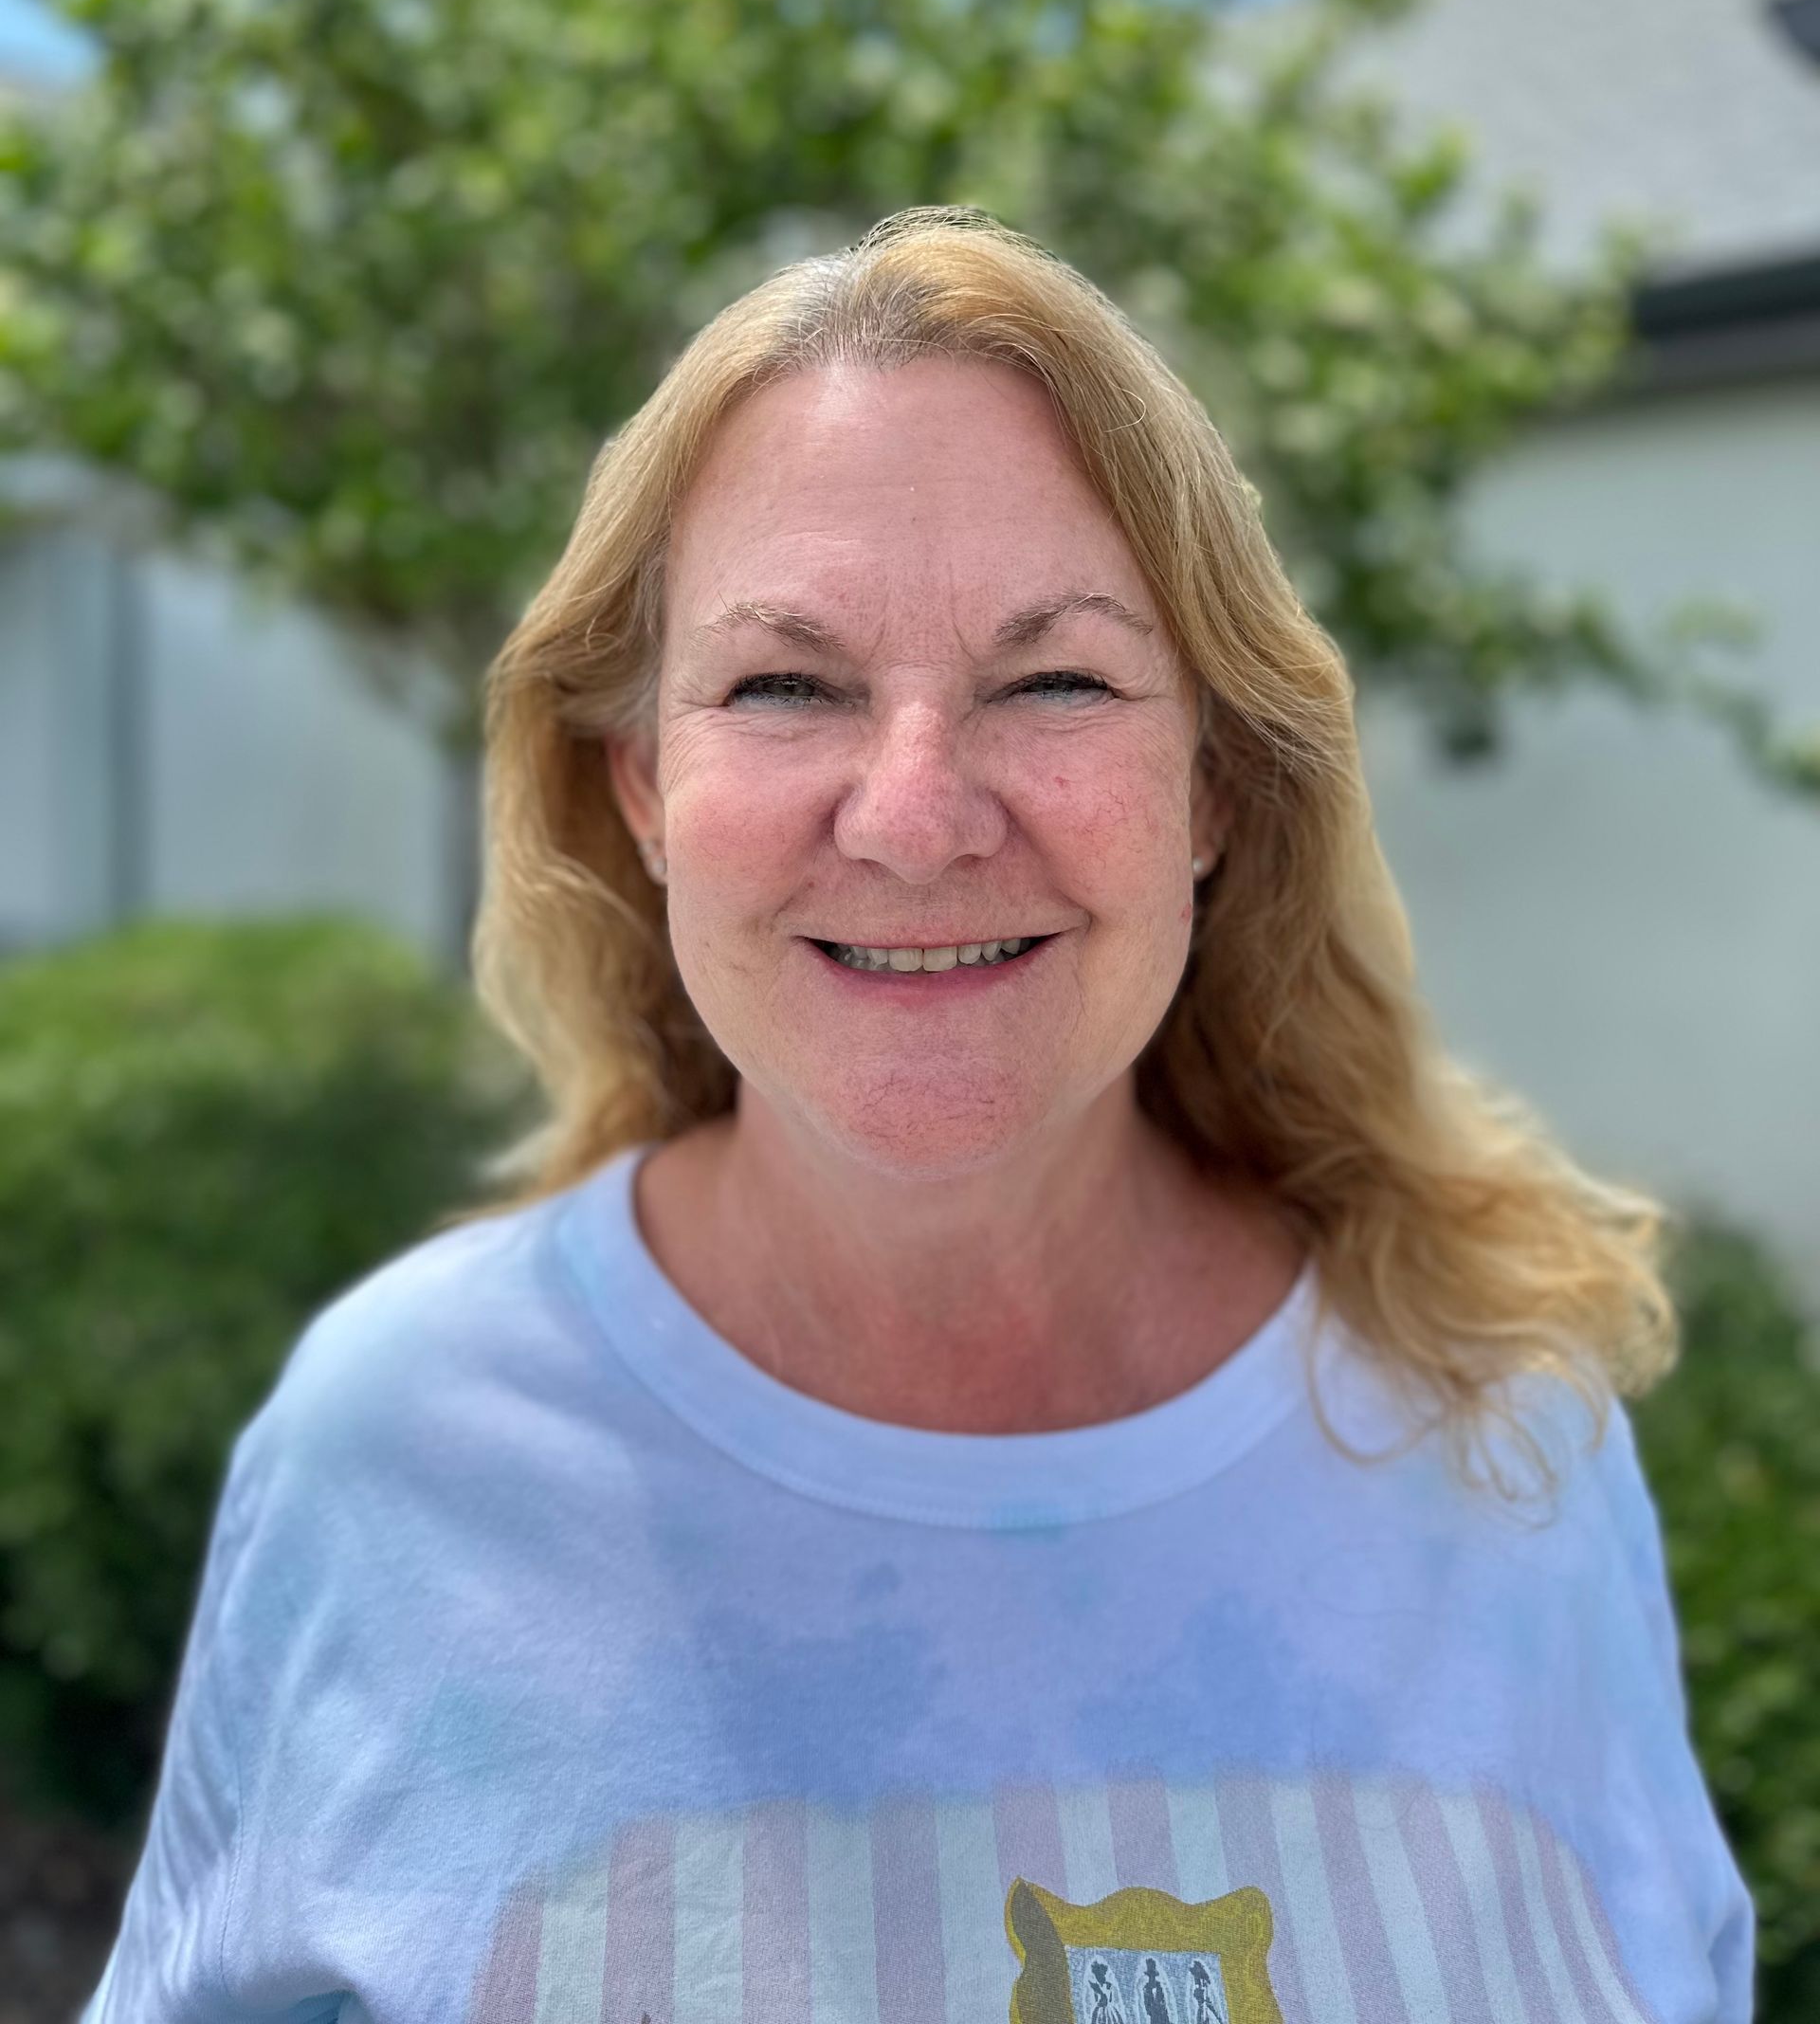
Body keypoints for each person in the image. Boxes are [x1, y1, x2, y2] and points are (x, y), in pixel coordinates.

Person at [84, 209, 1753, 2023]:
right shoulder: (391, 1454)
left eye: (1054, 681)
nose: (913, 815)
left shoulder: (1504, 1442)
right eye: (785, 684)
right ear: (644, 788)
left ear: (1210, 784)